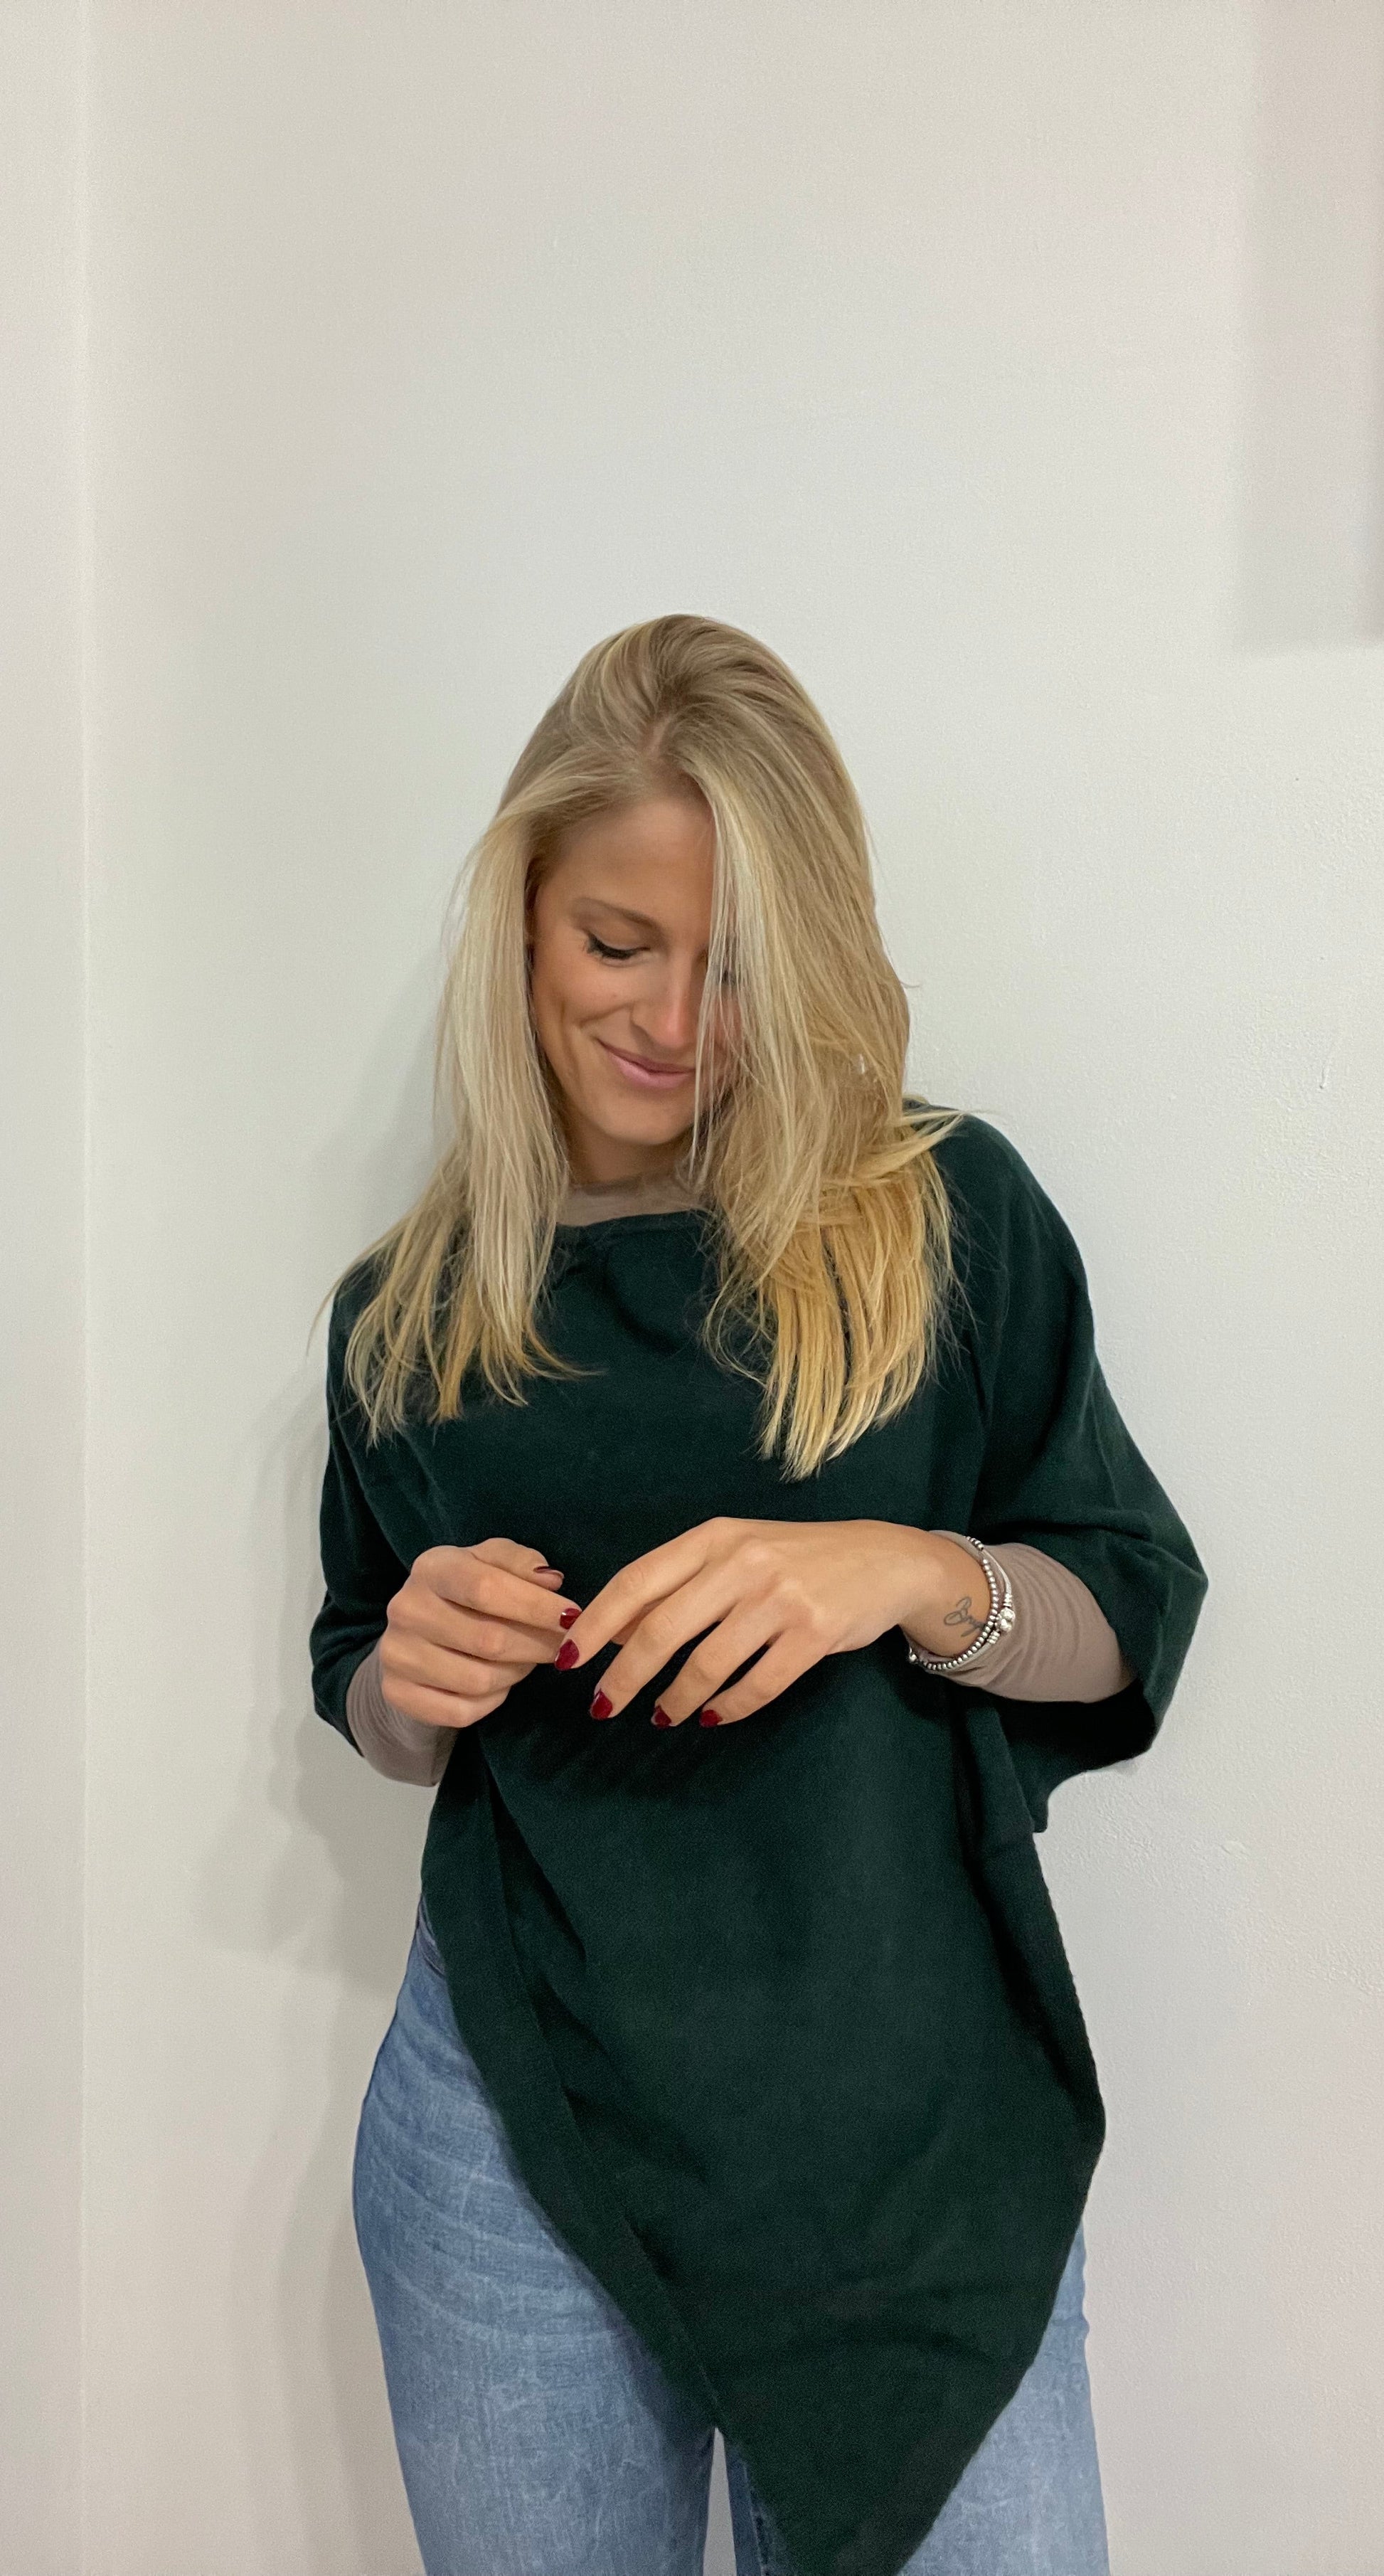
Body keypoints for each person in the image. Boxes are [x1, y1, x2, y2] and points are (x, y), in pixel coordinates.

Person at [309, 613, 1208, 2576]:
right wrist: (409, 1674)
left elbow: (1128, 1605)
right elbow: (364, 1680)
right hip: (511, 2144)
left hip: (906, 2142)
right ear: (522, 922)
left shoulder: (941, 1216)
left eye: (736, 967)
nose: (670, 1020)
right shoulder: (413, 1311)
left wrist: (901, 1572)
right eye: (614, 943)